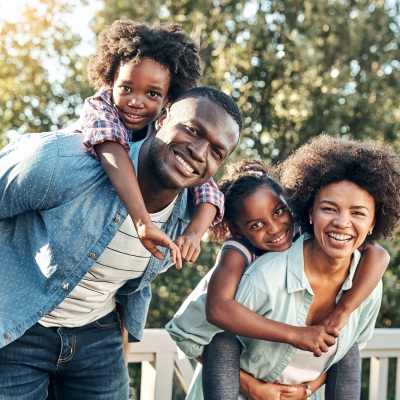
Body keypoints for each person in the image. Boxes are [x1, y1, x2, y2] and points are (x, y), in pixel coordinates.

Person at [0, 87, 242, 400]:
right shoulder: (63, 161)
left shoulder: (190, 218)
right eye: (193, 130)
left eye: (216, 152)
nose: (199, 152)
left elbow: (127, 291)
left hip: (96, 337)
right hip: (19, 328)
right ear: (162, 118)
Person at [166, 135, 400, 399]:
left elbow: (379, 255)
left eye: (357, 213)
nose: (275, 228)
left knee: (348, 351)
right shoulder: (245, 260)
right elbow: (209, 316)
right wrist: (289, 343)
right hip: (233, 379)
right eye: (256, 224)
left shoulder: (315, 239)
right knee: (223, 341)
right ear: (311, 211)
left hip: (297, 387)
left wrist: (343, 311)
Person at [75, 18, 224, 264]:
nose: (136, 101)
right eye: (126, 88)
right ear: (110, 82)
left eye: (152, 94)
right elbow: (111, 149)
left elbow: (209, 190)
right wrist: (143, 221)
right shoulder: (100, 106)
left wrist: (193, 234)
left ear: (168, 100)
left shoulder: (166, 128)